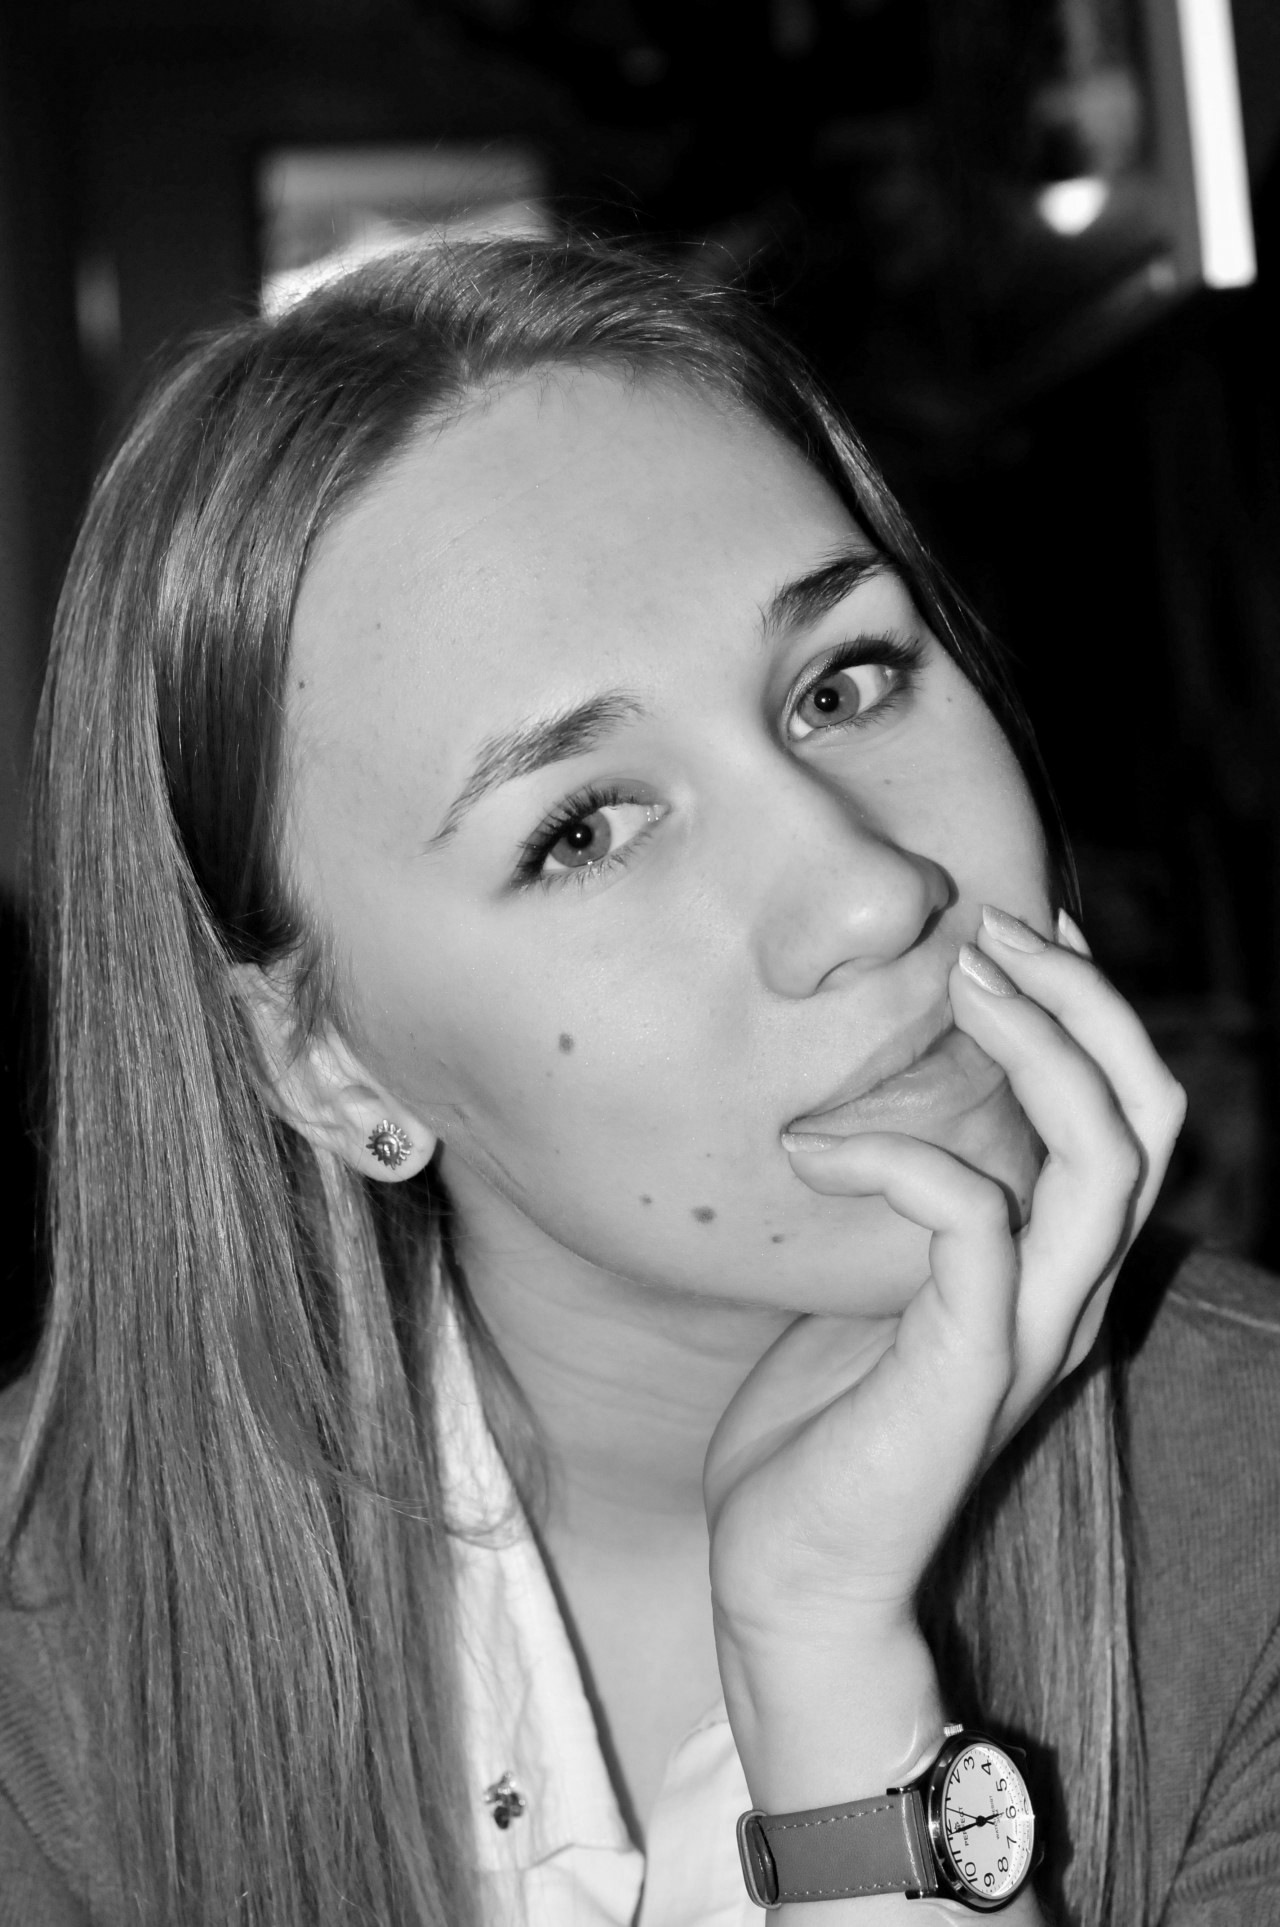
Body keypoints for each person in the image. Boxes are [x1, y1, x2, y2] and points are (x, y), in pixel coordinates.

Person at [0, 237, 1276, 1927]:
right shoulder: (45, 1664)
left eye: (843, 685)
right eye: (584, 830)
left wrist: (827, 1668)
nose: (868, 895)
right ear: (323, 1059)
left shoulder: (1250, 1512)